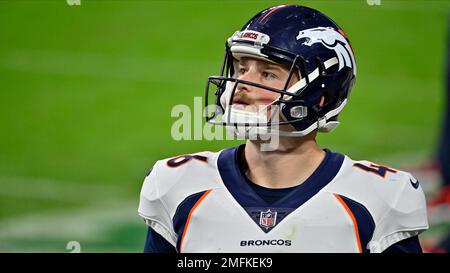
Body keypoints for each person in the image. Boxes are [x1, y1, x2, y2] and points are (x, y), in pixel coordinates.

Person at [138, 5, 428, 253]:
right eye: (241, 68)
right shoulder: (177, 185)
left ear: (320, 96)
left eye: (268, 73)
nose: (241, 85)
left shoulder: (379, 199)